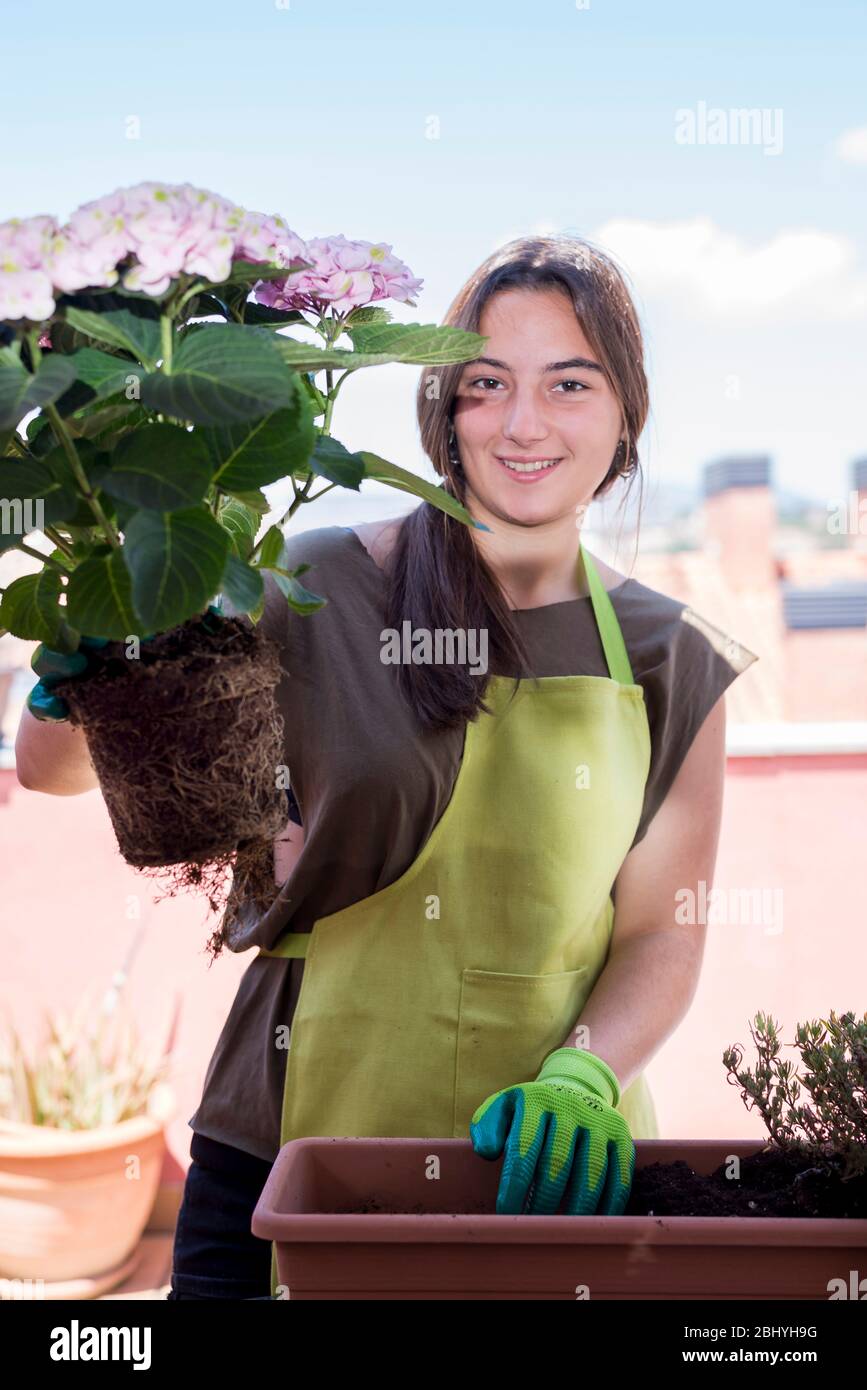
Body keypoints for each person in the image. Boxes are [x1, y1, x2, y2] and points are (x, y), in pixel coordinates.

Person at [16, 234, 758, 1299]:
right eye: (486, 385)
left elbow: (659, 937)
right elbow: (58, 772)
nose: (524, 423)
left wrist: (585, 1071)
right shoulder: (315, 583)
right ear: (443, 416)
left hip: (544, 1182)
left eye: (570, 384)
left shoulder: (669, 658)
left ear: (624, 416)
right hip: (286, 1162)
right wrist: (77, 673)